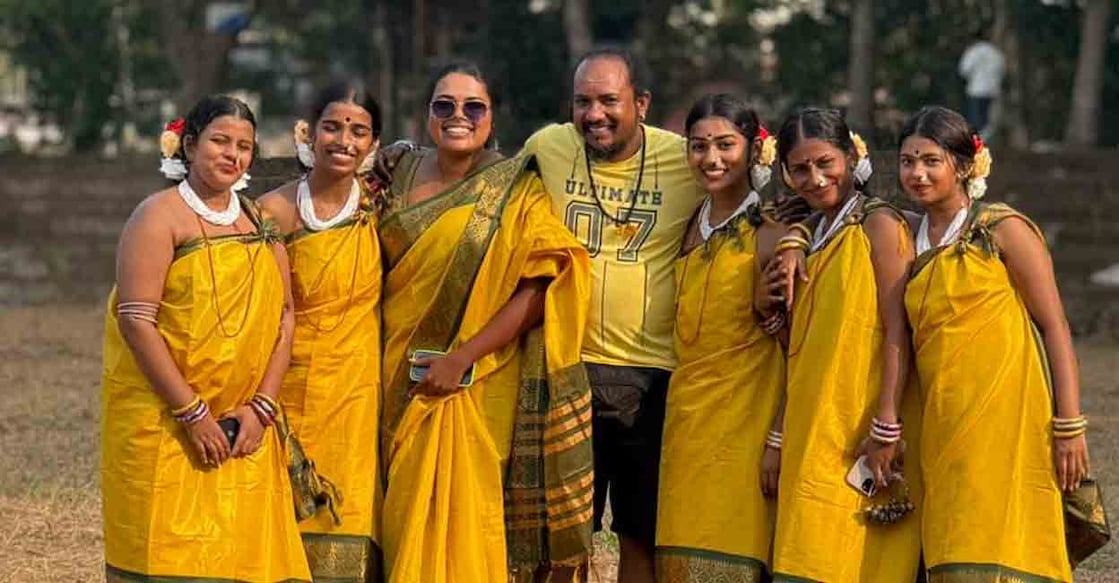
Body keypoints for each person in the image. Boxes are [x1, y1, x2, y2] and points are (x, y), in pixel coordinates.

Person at [377, 62, 593, 582]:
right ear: (426, 114)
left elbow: (543, 284)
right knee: (402, 518)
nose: (459, 116)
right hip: (392, 378)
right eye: (444, 105)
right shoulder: (394, 175)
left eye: (473, 107)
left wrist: (462, 357)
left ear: (493, 117)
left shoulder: (516, 188)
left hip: (475, 381)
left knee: (466, 523)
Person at [100, 95, 311, 581]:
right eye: (220, 141)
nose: (232, 154)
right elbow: (136, 321)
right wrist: (193, 414)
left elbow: (285, 317)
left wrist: (261, 409)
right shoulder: (158, 217)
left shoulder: (260, 223)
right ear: (190, 146)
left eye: (244, 146)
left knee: (241, 561)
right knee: (171, 559)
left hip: (242, 432)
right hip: (166, 426)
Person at [521, 48, 705, 582]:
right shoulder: (547, 147)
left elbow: (752, 192)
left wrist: (790, 239)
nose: (594, 114)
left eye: (608, 100)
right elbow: (484, 181)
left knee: (639, 535)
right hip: (566, 368)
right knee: (556, 539)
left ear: (641, 103)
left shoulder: (684, 160)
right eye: (582, 102)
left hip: (652, 377)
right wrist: (401, 156)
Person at [899, 105, 1088, 582]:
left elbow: (1055, 326)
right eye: (907, 161)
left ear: (965, 165)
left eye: (931, 161)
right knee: (951, 541)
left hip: (1007, 418)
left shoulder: (1001, 229)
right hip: (939, 418)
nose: (918, 173)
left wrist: (1069, 425)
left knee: (1005, 538)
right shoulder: (903, 236)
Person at [763, 108, 923, 582]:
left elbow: (898, 330)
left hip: (859, 428)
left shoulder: (879, 225)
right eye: (800, 169)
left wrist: (886, 427)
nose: (814, 179)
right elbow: (799, 350)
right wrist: (778, 435)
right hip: (810, 428)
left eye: (825, 163)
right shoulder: (810, 235)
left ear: (852, 157)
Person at [653, 93, 786, 581]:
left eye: (726, 145)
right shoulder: (689, 224)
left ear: (754, 150)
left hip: (746, 430)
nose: (712, 158)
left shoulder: (773, 233)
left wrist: (778, 437)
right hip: (685, 425)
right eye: (699, 146)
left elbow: (798, 350)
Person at [257, 83, 384, 581]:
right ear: (309, 133)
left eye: (359, 131)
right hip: (287, 389)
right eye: (332, 127)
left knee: (349, 520)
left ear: (374, 143)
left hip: (357, 395)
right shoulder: (274, 212)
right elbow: (263, 310)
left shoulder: (382, 207)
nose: (344, 141)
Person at [958, 31, 1005, 139]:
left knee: (975, 118)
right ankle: (985, 139)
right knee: (987, 120)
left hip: (976, 90)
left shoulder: (973, 51)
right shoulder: (995, 52)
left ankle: (976, 141)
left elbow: (964, 70)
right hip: (992, 90)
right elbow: (1002, 70)